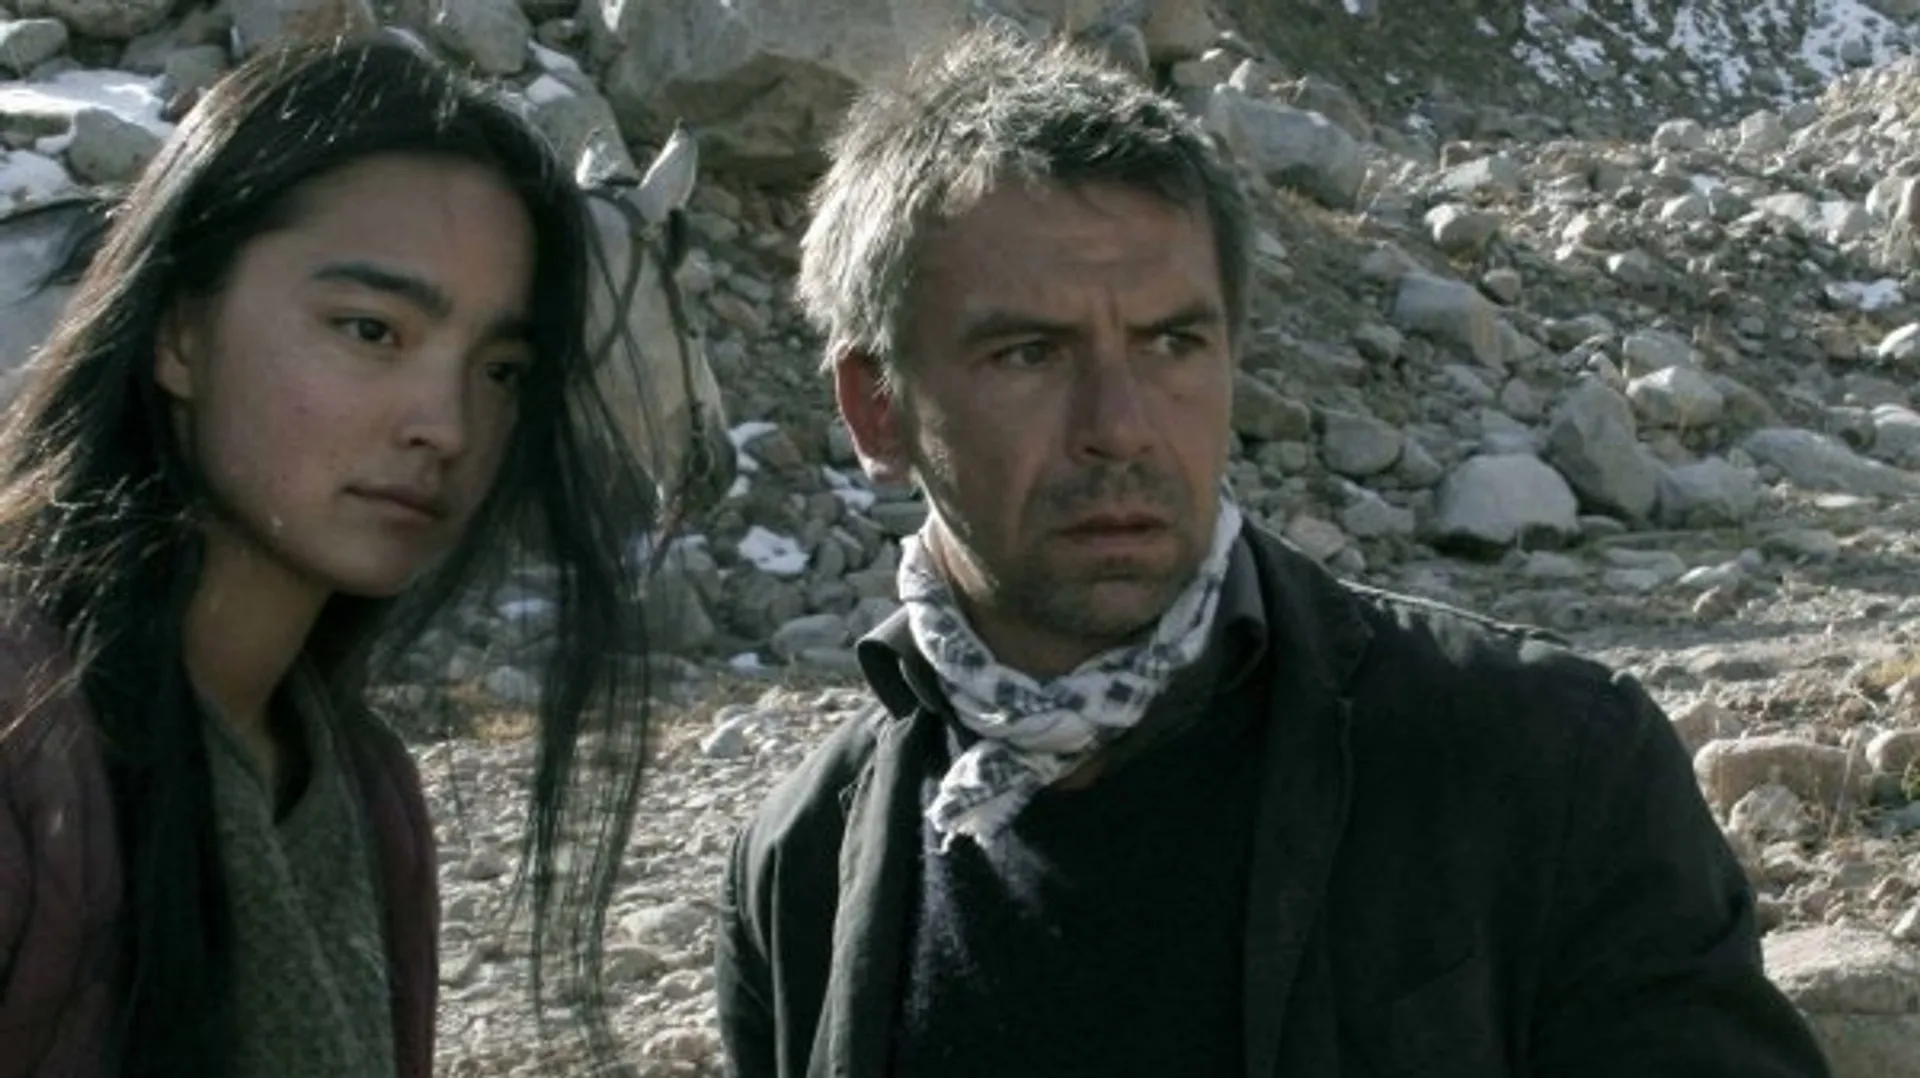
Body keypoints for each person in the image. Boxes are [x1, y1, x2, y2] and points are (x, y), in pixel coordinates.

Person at [713, 27, 1834, 1078]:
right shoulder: (800, 866)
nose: (1120, 425)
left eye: (1172, 342)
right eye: (1029, 353)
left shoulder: (1548, 770)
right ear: (877, 410)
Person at [0, 35, 663, 1078]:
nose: (446, 425)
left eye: (500, 370)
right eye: (370, 330)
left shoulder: (360, 788)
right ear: (179, 332)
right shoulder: (24, 743)